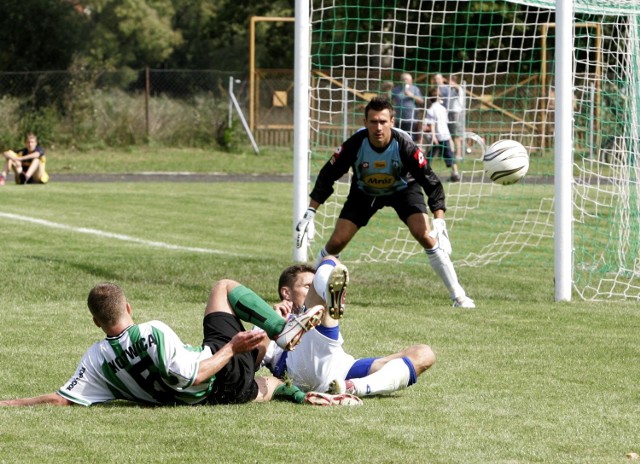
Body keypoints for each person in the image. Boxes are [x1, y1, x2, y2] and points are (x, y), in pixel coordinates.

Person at [0, 281, 362, 407]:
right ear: (128, 307)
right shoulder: (152, 331)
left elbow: (61, 399)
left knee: (269, 385)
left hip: (222, 396)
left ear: (96, 321)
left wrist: (10, 402)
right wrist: (231, 349)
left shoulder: (97, 358)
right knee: (223, 288)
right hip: (218, 376)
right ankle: (282, 327)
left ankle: (302, 395)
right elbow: (193, 375)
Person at [295, 96, 475, 308]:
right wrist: (310, 212)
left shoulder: (405, 145)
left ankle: (458, 296)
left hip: (403, 188)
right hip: (365, 192)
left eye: (382, 121)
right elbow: (328, 175)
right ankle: (311, 293)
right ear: (365, 122)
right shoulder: (355, 144)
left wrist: (440, 221)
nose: (378, 127)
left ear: (392, 122)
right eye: (373, 121)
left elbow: (431, 182)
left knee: (424, 234)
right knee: (336, 242)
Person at [258, 257, 436, 399]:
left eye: (313, 286)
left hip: (340, 367)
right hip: (297, 367)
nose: (310, 290)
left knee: (424, 353)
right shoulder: (271, 317)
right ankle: (327, 296)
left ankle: (353, 388)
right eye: (308, 286)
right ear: (286, 292)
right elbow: (255, 362)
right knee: (329, 260)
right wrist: (270, 325)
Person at [423, 87, 461, 182]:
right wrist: (435, 136)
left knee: (431, 156)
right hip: (441, 136)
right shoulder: (435, 109)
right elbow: (432, 124)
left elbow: (439, 124)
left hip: (441, 136)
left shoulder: (438, 109)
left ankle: (455, 174)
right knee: (444, 155)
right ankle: (455, 173)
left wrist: (435, 136)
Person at [390, 73, 424, 142]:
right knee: (399, 138)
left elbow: (421, 101)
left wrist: (411, 95)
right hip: (399, 119)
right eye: (403, 79)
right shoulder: (396, 90)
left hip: (411, 120)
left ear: (411, 80)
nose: (405, 81)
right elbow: (389, 99)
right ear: (400, 80)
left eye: (407, 79)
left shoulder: (415, 89)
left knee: (410, 139)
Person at [446, 75, 466, 160]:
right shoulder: (449, 90)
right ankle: (452, 154)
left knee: (457, 135)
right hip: (449, 112)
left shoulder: (459, 89)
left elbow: (457, 88)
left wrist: (453, 84)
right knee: (450, 135)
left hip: (457, 113)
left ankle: (459, 155)